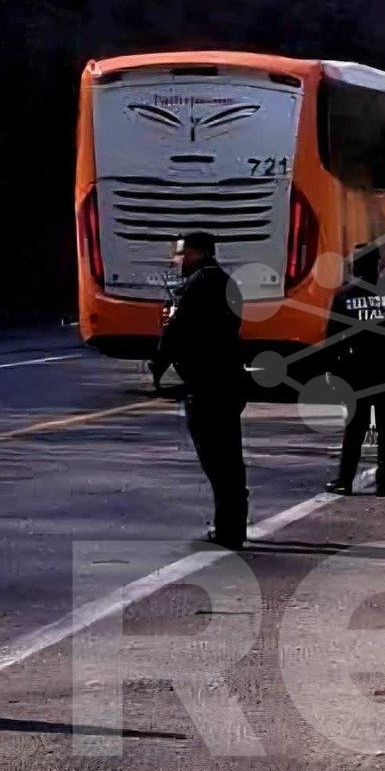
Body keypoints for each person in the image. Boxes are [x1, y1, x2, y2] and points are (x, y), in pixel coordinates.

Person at [150, 232, 249, 549]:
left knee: (214, 460)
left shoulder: (189, 288)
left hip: (204, 385)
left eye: (180, 254)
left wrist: (158, 365)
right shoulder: (228, 282)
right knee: (231, 457)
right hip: (231, 381)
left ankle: (228, 530)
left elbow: (172, 331)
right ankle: (235, 524)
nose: (176, 260)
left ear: (194, 253)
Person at [324, 244, 385, 497]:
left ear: (355, 266)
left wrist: (333, 372)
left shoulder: (344, 296)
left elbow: (332, 341)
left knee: (355, 428)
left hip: (357, 373)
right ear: (380, 265)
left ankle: (345, 481)